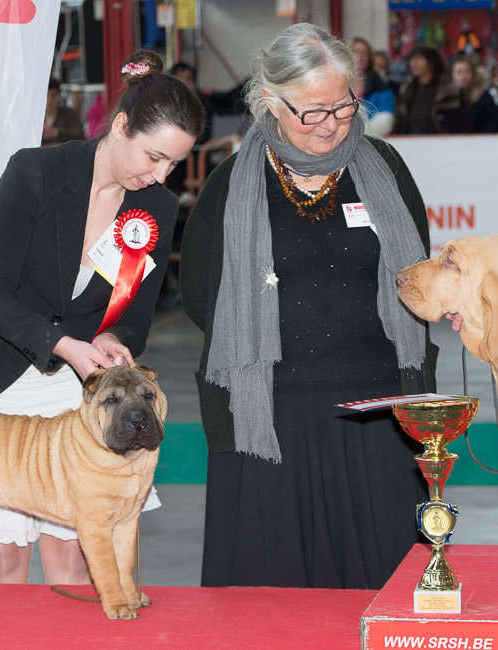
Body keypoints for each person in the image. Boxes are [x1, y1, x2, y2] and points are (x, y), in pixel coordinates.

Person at [0, 50, 204, 585]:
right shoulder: (34, 172)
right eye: (153, 156)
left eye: (173, 163)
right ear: (120, 126)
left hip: (73, 384)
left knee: (73, 548)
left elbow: (138, 315)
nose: (161, 175)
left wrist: (115, 340)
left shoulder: (159, 208)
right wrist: (68, 345)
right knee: (1, 552)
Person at [180, 23, 437, 590]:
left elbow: (419, 280)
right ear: (270, 101)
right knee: (271, 598)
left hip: (379, 410)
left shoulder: (386, 170)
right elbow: (201, 292)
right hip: (266, 413)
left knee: (384, 587)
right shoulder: (229, 185)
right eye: (312, 111)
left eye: (344, 106)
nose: (332, 124)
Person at [394, 43, 469, 134]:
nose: (414, 63)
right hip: (410, 144)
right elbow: (399, 123)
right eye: (412, 59)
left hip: (443, 144)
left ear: (431, 62)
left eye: (419, 58)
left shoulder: (450, 90)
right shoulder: (406, 90)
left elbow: (464, 123)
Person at [351, 37, 395, 137]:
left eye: (365, 53)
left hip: (370, 143)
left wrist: (355, 134)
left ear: (370, 58)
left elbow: (385, 122)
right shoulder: (337, 85)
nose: (360, 57)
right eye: (356, 52)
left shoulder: (382, 89)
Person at [450, 56, 498, 133]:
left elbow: (497, 121)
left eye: (467, 71)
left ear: (473, 74)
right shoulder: (447, 98)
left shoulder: (483, 96)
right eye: (459, 72)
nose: (463, 77)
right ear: (452, 75)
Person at [41, 77, 84, 146]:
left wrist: (57, 134)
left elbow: (80, 137)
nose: (49, 100)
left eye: (53, 96)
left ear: (59, 96)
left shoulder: (69, 115)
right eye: (46, 95)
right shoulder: (35, 118)